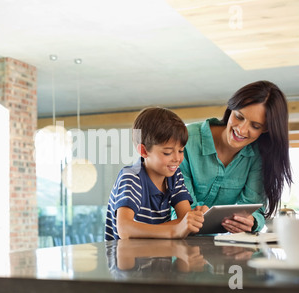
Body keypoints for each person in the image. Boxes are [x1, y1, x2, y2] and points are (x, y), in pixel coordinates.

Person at [180, 80, 292, 233]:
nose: (242, 129)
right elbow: (177, 209)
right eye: (239, 117)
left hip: (218, 246)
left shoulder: (258, 155)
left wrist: (250, 222)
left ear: (266, 129)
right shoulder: (187, 140)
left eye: (255, 126)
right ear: (231, 109)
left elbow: (255, 208)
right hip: (170, 238)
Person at [104, 107, 206, 241]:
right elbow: (125, 230)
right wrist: (174, 230)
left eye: (181, 151)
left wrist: (196, 219)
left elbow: (184, 220)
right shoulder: (131, 177)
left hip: (157, 254)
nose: (177, 158)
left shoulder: (174, 176)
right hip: (127, 257)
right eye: (168, 152)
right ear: (144, 151)